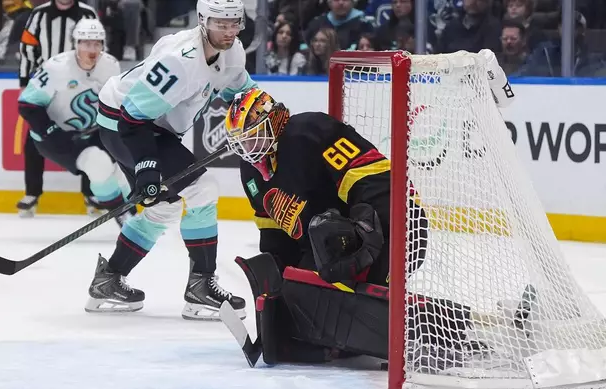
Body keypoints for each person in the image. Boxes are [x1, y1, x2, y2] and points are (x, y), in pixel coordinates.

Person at [221, 49, 517, 364]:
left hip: (396, 224)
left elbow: (376, 185)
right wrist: (279, 283)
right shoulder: (251, 171)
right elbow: (275, 235)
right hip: (337, 245)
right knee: (306, 297)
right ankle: (345, 337)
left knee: (354, 301)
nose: (248, 150)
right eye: (242, 143)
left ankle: (456, 330)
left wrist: (366, 241)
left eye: (253, 138)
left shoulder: (307, 133)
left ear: (275, 122)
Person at [85, 0, 257, 320]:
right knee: (202, 188)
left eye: (235, 23)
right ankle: (201, 287)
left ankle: (109, 278)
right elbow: (131, 120)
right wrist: (147, 167)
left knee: (165, 205)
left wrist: (264, 110)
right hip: (123, 123)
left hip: (149, 124)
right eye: (221, 23)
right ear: (203, 21)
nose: (229, 31)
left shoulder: (233, 53)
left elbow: (243, 91)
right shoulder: (181, 61)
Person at [17, 19, 132, 227]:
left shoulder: (110, 65)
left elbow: (115, 101)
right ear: (76, 44)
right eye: (86, 43)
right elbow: (27, 105)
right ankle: (123, 216)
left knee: (122, 167)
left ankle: (131, 214)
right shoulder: (56, 67)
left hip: (92, 132)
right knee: (99, 164)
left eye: (97, 44)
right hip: (54, 137)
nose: (92, 49)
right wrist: (52, 132)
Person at [16, 0, 99, 217]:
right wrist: (25, 83)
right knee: (35, 136)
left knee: (89, 135)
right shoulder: (39, 14)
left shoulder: (88, 13)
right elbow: (27, 50)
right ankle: (32, 192)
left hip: (80, 85)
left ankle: (91, 192)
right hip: (48, 85)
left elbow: (98, 47)